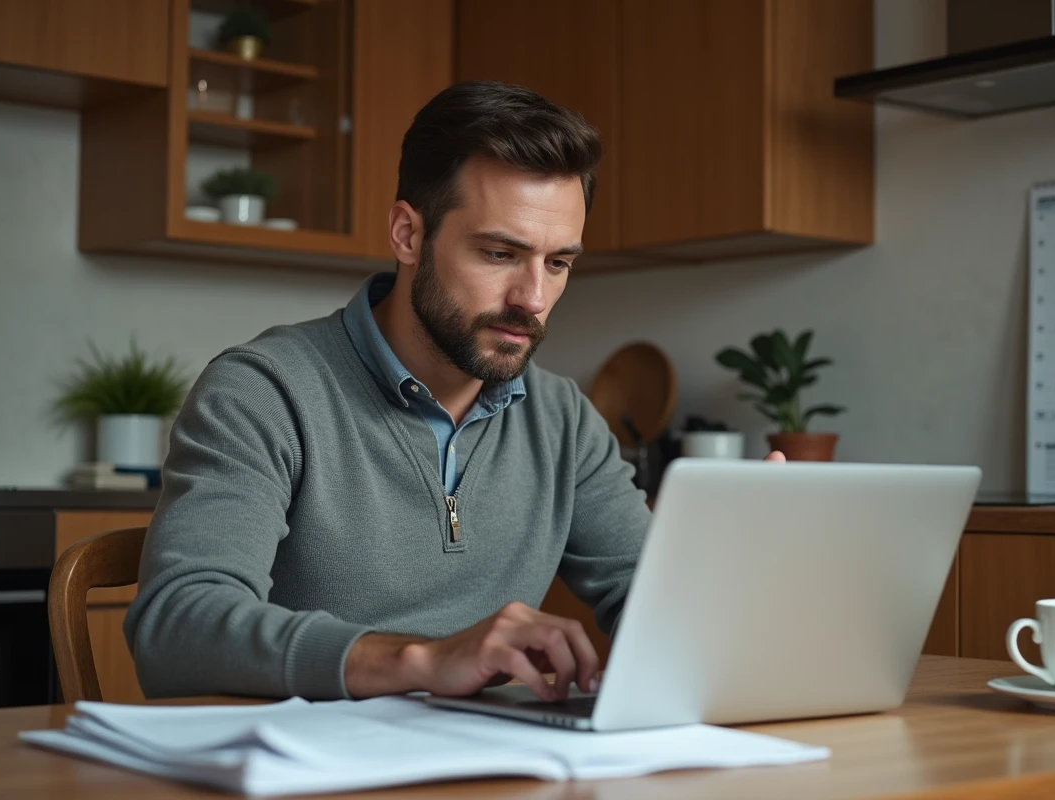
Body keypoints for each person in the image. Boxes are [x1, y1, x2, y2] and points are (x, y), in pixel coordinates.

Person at [125, 80, 785, 704]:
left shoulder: (561, 419)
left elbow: (657, 610)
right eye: (500, 254)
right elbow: (176, 628)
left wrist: (740, 563)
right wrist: (423, 660)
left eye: (557, 264)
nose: (533, 299)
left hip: (500, 767)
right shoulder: (265, 392)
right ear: (408, 234)